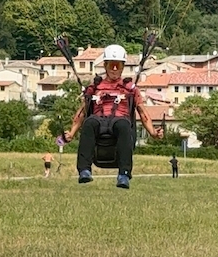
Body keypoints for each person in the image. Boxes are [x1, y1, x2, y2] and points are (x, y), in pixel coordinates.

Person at [61, 43, 162, 189]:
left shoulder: (130, 89)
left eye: (118, 66)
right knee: (89, 123)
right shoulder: (94, 87)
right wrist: (71, 132)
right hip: (98, 120)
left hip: (120, 120)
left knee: (123, 125)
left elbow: (142, 112)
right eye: (112, 65)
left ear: (122, 67)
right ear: (105, 65)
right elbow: (83, 112)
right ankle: (84, 170)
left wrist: (152, 132)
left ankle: (124, 174)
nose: (115, 69)